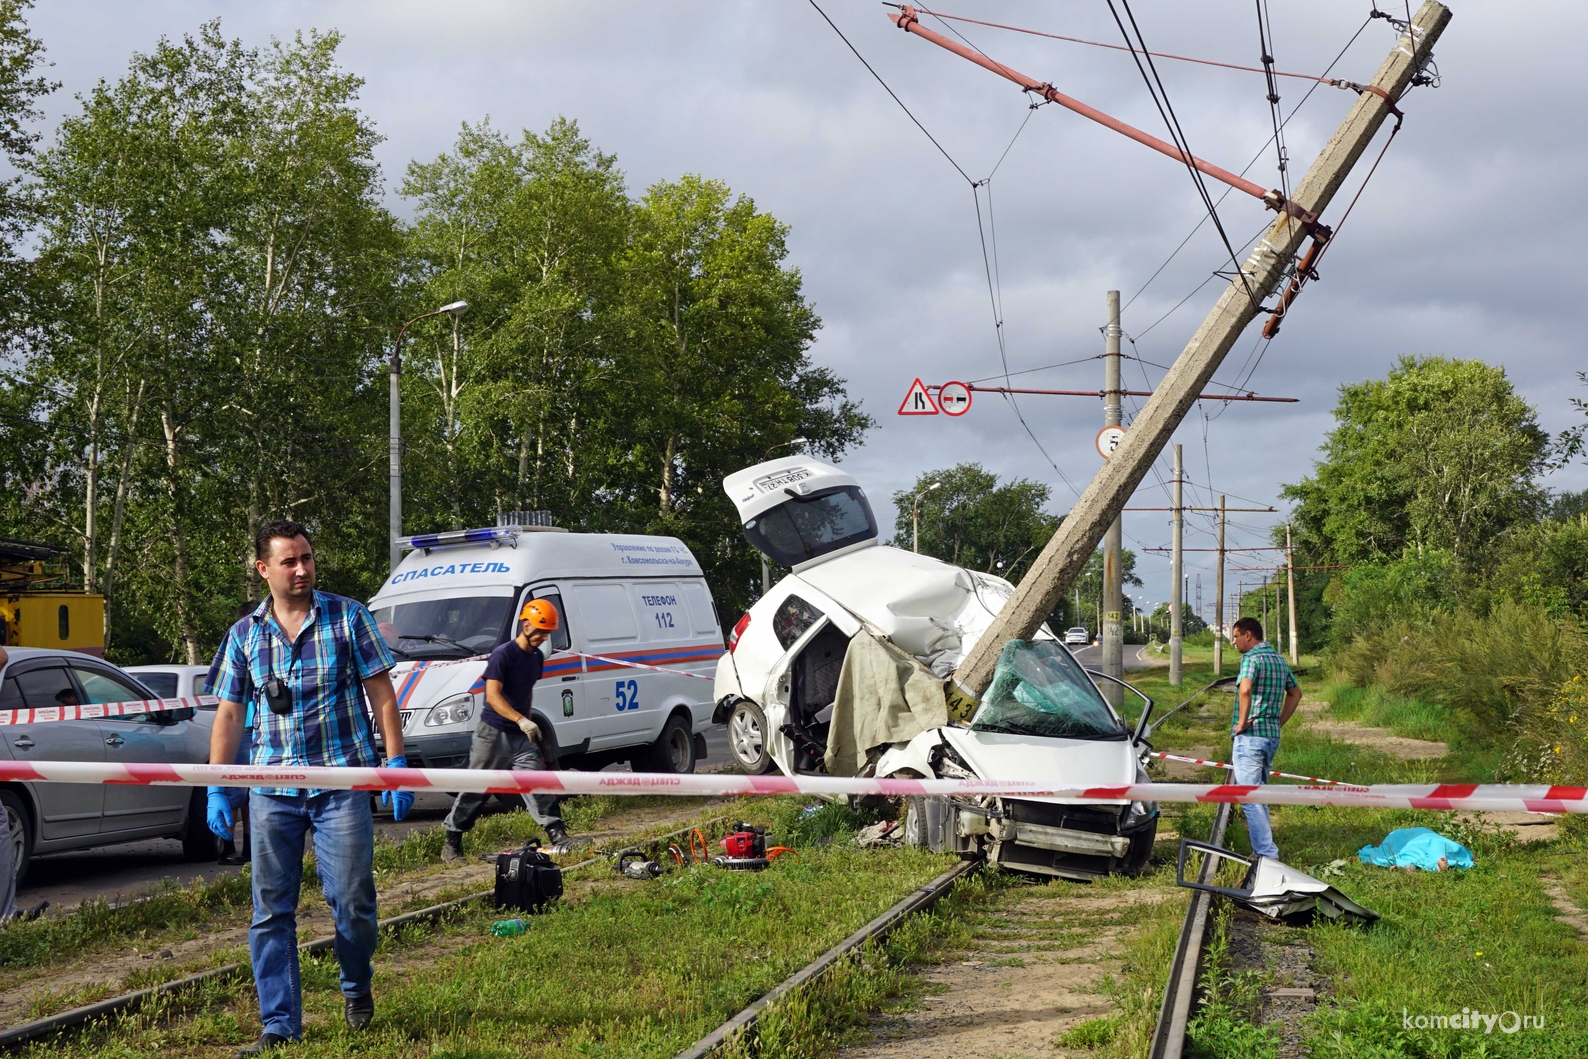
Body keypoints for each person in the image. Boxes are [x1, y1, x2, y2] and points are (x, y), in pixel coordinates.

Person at [207, 520, 412, 1056]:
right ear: (263, 570)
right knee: (271, 910)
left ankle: (356, 985)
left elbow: (382, 694)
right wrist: (218, 785)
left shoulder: (348, 617)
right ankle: (278, 1024)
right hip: (271, 791)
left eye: (307, 558)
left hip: (340, 783)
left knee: (351, 901)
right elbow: (229, 715)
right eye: (289, 561)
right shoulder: (244, 636)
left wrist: (395, 763)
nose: (302, 569)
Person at [441, 599, 573, 862]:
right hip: (493, 733)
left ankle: (558, 835)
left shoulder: (536, 658)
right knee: (477, 790)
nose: (543, 637)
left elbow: (526, 691)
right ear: (526, 624)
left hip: (520, 736)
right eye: (539, 631)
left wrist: (527, 720)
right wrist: (520, 720)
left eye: (547, 633)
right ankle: (452, 842)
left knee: (538, 781)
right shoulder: (504, 654)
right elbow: (492, 696)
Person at [1229, 616, 1302, 860]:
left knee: (1249, 798)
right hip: (1270, 737)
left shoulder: (1251, 658)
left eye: (1236, 636)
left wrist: (1241, 723)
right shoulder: (1279, 660)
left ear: (1248, 635)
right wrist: (1278, 722)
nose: (1233, 642)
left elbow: (1245, 689)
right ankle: (1263, 849)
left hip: (1250, 737)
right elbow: (1295, 693)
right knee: (1259, 794)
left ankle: (1266, 854)